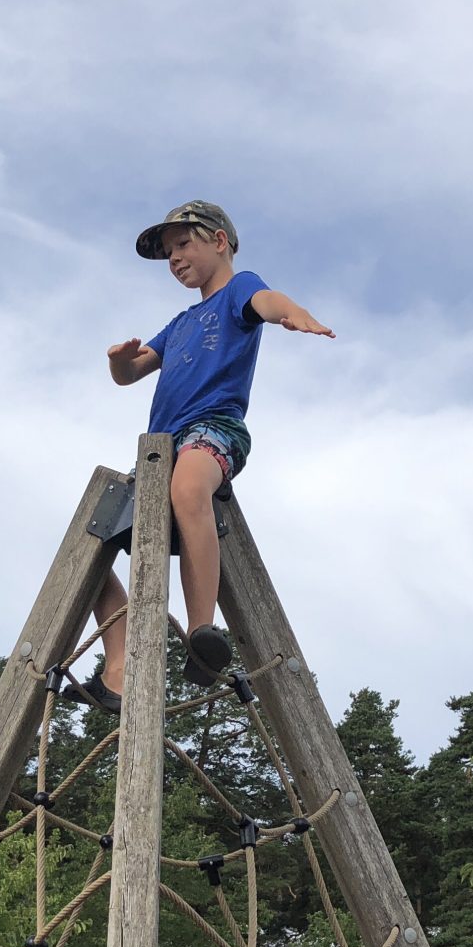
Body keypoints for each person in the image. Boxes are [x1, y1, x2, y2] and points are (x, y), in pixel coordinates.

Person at [63, 201, 334, 712]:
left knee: (190, 488)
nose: (175, 259)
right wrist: (120, 363)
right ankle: (118, 671)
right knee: (89, 548)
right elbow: (133, 372)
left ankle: (202, 631)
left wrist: (295, 315)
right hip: (157, 453)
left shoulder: (237, 289)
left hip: (213, 427)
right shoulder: (182, 321)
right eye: (168, 253)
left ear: (219, 241)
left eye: (183, 244)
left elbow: (266, 301)